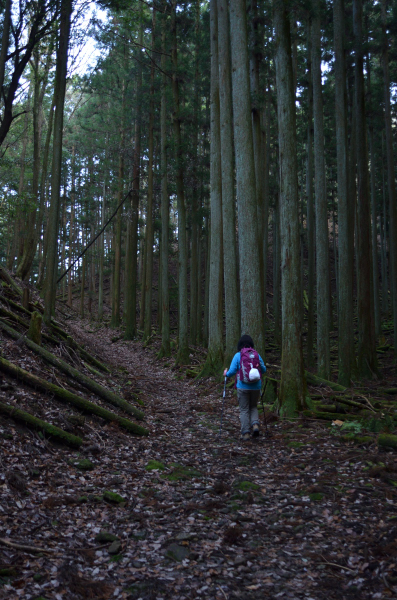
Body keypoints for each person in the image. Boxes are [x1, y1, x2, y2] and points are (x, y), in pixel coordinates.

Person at [223, 334, 266, 441]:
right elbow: (264, 369)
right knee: (253, 406)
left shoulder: (238, 355)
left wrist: (226, 374)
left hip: (242, 386)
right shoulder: (257, 355)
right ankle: (255, 424)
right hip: (256, 386)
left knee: (244, 409)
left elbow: (232, 371)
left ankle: (246, 433)